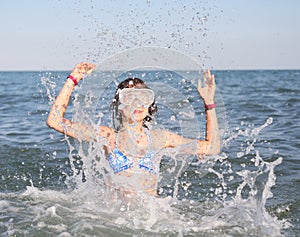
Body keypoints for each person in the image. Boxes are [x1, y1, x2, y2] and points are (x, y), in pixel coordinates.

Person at [46, 62, 220, 198]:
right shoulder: (107, 136)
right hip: (116, 219)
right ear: (119, 105)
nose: (137, 103)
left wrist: (209, 102)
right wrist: (73, 79)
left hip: (151, 219)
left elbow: (211, 148)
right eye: (129, 97)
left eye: (143, 97)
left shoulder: (161, 138)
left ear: (149, 105)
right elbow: (55, 121)